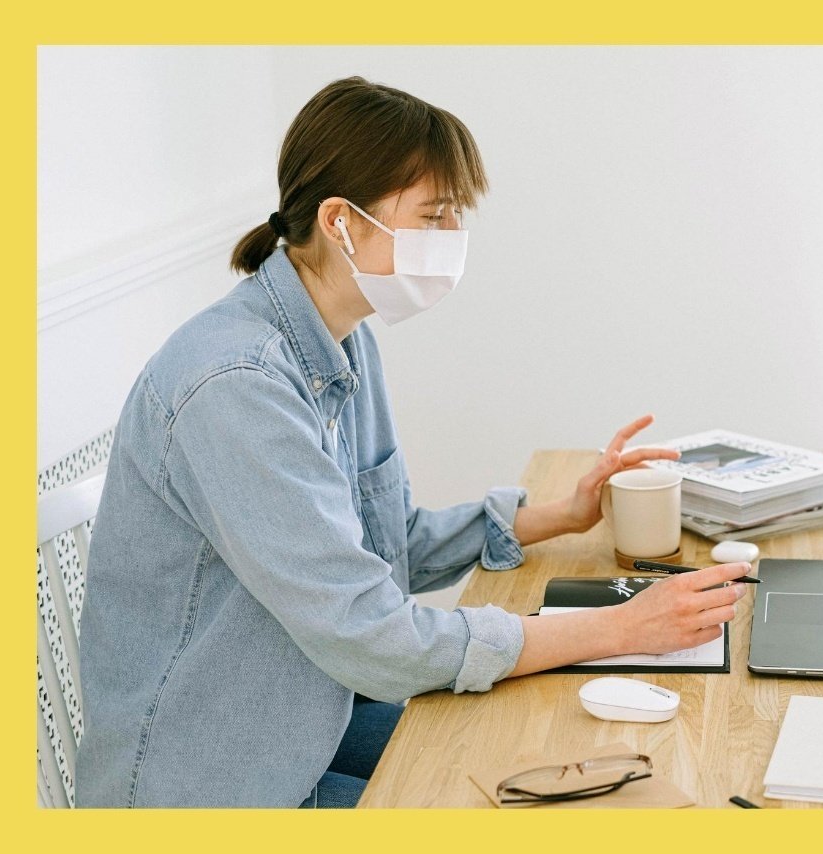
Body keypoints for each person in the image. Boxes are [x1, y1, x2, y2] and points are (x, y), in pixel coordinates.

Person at [75, 76, 748, 808]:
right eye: (433, 215)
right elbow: (372, 635)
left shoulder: (344, 341)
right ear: (340, 222)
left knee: (542, 761)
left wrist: (556, 514)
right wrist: (615, 628)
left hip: (310, 721)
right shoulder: (238, 385)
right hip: (214, 785)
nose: (451, 238)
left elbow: (379, 545)